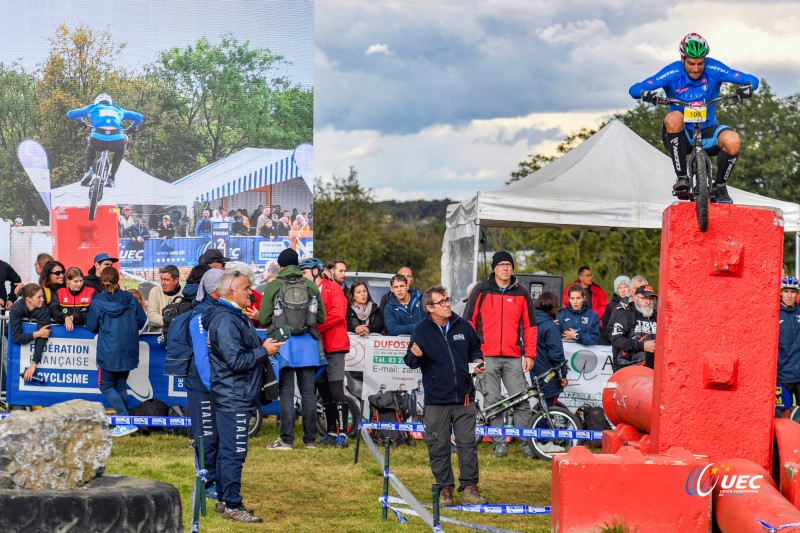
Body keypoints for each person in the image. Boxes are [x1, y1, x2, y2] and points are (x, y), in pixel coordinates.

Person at [629, 33, 758, 203]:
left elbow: (751, 79)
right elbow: (635, 88)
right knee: (674, 117)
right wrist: (645, 94)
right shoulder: (673, 71)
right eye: (691, 63)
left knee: (733, 140)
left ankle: (720, 186)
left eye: (700, 63)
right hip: (681, 135)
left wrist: (747, 88)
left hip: (707, 132)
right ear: (682, 58)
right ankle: (682, 178)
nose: (696, 69)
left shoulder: (714, 69)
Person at [202, 271, 283, 523]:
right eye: (247, 288)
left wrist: (262, 346)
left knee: (229, 451)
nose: (251, 291)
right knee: (234, 452)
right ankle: (232, 505)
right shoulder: (226, 320)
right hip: (233, 395)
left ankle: (226, 500)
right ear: (231, 293)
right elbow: (236, 361)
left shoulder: (235, 316)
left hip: (235, 393)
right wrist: (263, 350)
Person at [405, 285, 487, 507]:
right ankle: (445, 490)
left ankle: (470, 488)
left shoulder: (463, 325)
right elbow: (410, 361)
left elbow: (475, 349)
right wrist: (415, 356)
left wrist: (478, 361)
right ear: (430, 308)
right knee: (438, 446)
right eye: (442, 302)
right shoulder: (421, 330)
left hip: (464, 398)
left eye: (448, 300)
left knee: (467, 445)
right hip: (436, 399)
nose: (448, 304)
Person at [463, 250, 537, 459]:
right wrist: (470, 353)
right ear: (494, 268)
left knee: (521, 400)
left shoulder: (522, 293)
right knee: (493, 400)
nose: (505, 268)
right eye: (501, 264)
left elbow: (530, 326)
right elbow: (468, 321)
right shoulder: (481, 289)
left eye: (508, 264)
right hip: (486, 355)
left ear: (512, 268)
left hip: (514, 356)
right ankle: (499, 444)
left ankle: (527, 443)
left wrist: (530, 354)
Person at [258, 248, 325, 451]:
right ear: (298, 265)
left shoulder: (273, 286)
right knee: (308, 392)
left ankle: (286, 440)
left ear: (281, 266)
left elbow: (263, 318)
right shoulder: (310, 285)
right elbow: (321, 318)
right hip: (307, 345)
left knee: (286, 391)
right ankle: (310, 440)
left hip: (284, 343)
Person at [85, 267, 147, 437]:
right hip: (128, 348)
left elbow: (91, 326)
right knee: (119, 385)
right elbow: (142, 321)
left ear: (101, 281)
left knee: (105, 385)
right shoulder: (130, 298)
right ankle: (125, 423)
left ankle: (125, 421)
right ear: (118, 279)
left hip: (108, 350)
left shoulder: (97, 301)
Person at [299, 258, 351, 447]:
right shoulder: (307, 291)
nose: (302, 277)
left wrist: (315, 327)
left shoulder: (333, 288)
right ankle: (330, 431)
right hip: (316, 348)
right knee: (324, 392)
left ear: (314, 271)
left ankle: (343, 433)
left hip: (334, 346)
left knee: (337, 390)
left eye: (304, 273)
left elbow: (338, 315)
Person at [185, 268, 225, 509]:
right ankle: (206, 483)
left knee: (218, 438)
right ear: (213, 290)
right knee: (206, 438)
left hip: (219, 386)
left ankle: (217, 480)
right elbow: (202, 358)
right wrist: (214, 387)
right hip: (204, 386)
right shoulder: (199, 316)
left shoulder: (222, 310)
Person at [66, 93, 143, 188]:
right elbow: (139, 117)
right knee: (122, 145)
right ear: (110, 102)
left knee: (90, 142)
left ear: (96, 102)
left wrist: (81, 122)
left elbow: (70, 114)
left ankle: (89, 170)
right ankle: (111, 177)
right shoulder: (118, 109)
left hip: (97, 138)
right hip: (116, 139)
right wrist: (132, 127)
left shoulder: (92, 108)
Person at [609, 285, 658, 371]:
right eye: (644, 298)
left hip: (655, 370)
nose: (648, 302)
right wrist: (642, 346)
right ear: (635, 299)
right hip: (630, 367)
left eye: (651, 299)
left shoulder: (659, 316)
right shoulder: (626, 314)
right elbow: (616, 339)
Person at [531, 292, 568, 407]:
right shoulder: (550, 326)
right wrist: (563, 375)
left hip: (534, 372)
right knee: (547, 411)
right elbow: (556, 354)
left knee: (541, 409)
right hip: (548, 375)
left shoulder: (530, 323)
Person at [11, 284, 51, 382]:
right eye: (39, 297)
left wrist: (33, 364)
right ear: (29, 299)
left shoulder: (43, 309)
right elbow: (16, 338)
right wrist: (37, 334)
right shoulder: (16, 309)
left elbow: (43, 337)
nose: (42, 299)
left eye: (42, 296)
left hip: (30, 348)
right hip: (10, 342)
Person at [778, 276, 800, 408]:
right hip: (783, 376)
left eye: (793, 292)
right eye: (786, 291)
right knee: (784, 416)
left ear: (797, 294)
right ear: (780, 292)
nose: (789, 296)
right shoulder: (775, 313)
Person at [145, 265, 183, 333]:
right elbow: (152, 315)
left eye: (166, 280)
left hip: (179, 334)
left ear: (176, 280)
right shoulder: (155, 291)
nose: (163, 283)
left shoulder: (184, 293)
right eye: (161, 279)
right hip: (158, 334)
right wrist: (170, 321)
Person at [601, 276, 632, 345]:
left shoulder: (635, 305)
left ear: (630, 289)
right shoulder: (611, 306)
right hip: (615, 344)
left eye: (625, 287)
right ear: (616, 291)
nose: (623, 290)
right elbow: (606, 329)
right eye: (620, 287)